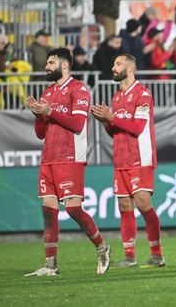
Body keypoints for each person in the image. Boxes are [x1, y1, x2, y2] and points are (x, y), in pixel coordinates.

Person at [24, 47, 111, 276]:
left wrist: (50, 111)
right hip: (49, 158)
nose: (46, 67)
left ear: (64, 65)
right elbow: (41, 134)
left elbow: (77, 125)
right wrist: (38, 117)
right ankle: (51, 265)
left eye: (50, 62)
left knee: (72, 209)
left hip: (70, 157)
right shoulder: (48, 93)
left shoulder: (79, 89)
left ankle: (102, 248)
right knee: (48, 211)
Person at [91, 54, 165, 268]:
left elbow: (137, 128)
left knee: (143, 204)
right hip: (121, 158)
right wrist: (106, 121)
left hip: (140, 157)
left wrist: (111, 117)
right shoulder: (117, 97)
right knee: (124, 205)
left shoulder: (142, 93)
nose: (113, 67)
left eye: (118, 64)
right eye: (114, 63)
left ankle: (157, 255)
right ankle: (130, 256)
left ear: (130, 68)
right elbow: (116, 131)